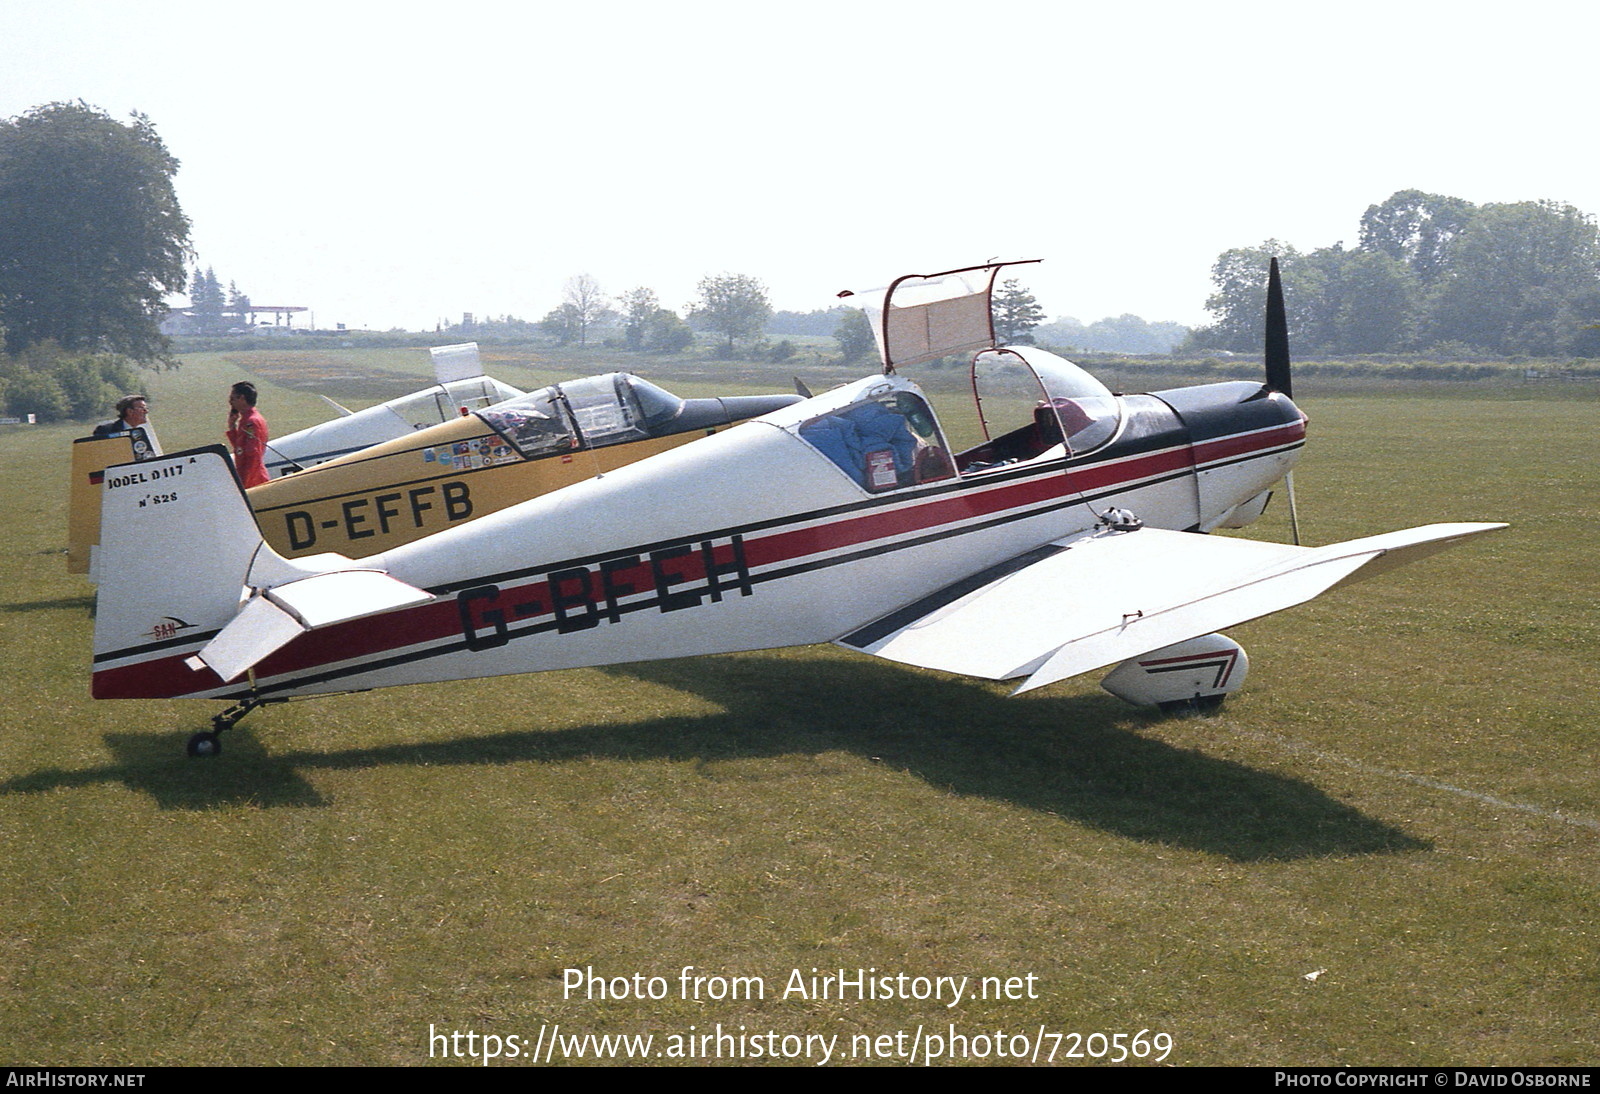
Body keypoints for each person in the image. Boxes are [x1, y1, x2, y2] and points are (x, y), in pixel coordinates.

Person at [226, 381, 271, 487]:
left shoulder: (252, 422)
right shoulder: (246, 420)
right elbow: (240, 448)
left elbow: (253, 454)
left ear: (241, 398)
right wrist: (232, 427)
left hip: (254, 478)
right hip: (248, 474)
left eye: (232, 398)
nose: (230, 402)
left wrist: (245, 484)